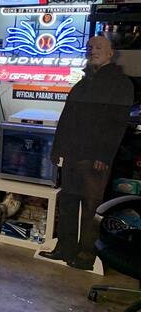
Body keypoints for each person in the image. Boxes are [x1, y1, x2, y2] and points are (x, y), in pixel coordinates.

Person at [40, 36, 134, 269]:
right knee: (68, 203)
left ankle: (86, 255)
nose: (93, 51)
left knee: (92, 208)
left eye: (99, 47)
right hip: (73, 156)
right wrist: (58, 149)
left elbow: (117, 124)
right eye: (90, 47)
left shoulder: (121, 84)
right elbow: (66, 119)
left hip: (96, 159)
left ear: (111, 53)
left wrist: (104, 155)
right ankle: (65, 249)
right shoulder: (82, 84)